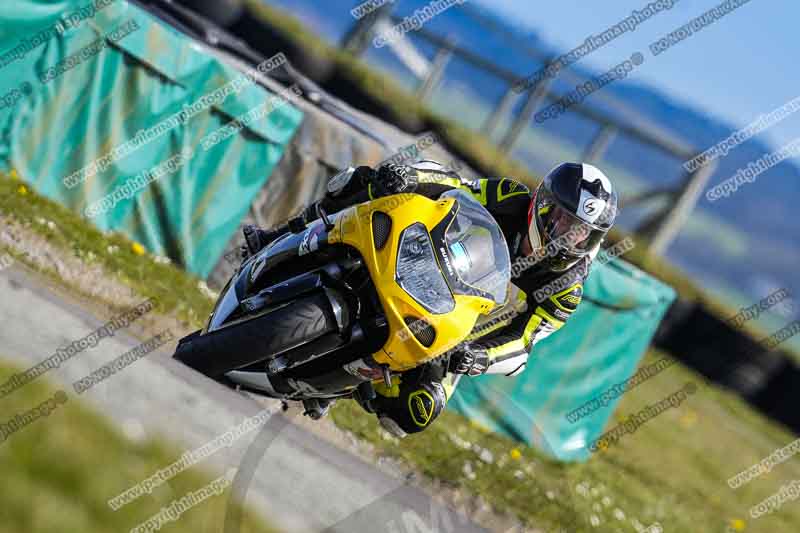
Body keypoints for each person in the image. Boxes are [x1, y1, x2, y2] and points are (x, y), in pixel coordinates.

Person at [242, 160, 618, 437]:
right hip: (423, 260)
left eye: (583, 233)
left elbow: (524, 341)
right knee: (363, 181)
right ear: (543, 203)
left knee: (413, 414)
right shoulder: (510, 197)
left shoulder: (568, 285)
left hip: (454, 327)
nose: (568, 237)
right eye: (564, 221)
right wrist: (410, 176)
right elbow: (455, 185)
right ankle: (280, 238)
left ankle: (344, 384)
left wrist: (478, 356)